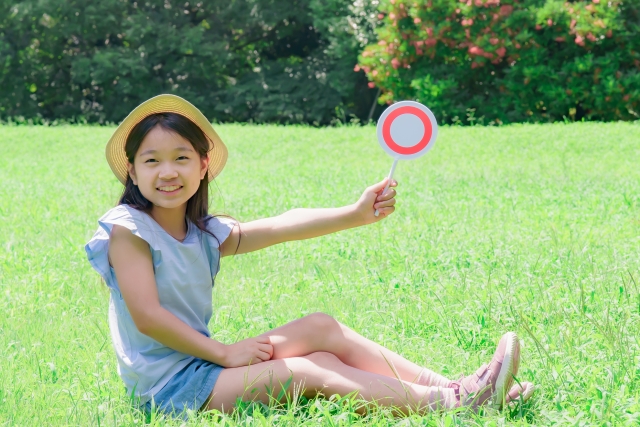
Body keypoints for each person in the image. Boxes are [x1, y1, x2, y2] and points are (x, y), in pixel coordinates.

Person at [85, 94, 534, 419]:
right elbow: (147, 317)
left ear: (203, 166)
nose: (167, 172)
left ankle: (454, 385)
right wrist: (224, 353)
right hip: (170, 389)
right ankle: (457, 404)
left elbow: (282, 224)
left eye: (181, 157)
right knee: (309, 370)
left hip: (201, 364)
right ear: (132, 170)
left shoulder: (202, 233)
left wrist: (355, 214)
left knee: (320, 327)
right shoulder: (128, 230)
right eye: (152, 161)